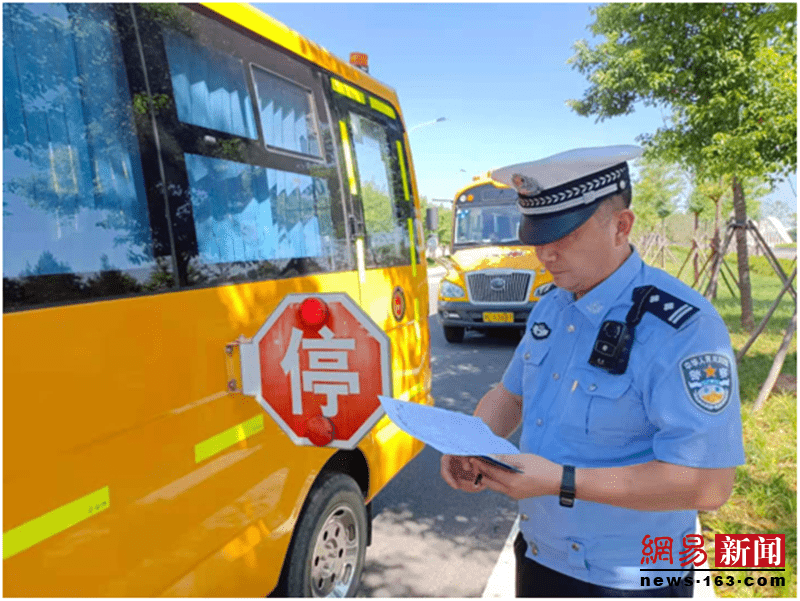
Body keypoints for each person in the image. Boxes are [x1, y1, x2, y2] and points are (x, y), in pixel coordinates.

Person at [440, 146, 745, 597]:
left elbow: (708, 484)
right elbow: (511, 395)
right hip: (541, 555)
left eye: (564, 235)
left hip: (630, 577)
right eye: (538, 236)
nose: (546, 253)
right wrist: (471, 444)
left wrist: (560, 481)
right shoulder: (551, 306)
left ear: (622, 227)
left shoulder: (683, 328)